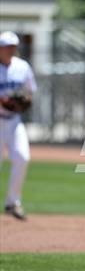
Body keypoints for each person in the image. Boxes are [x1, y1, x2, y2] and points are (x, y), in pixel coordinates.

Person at [0, 31, 37, 220]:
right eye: (7, 46)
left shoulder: (22, 67)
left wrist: (24, 101)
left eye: (13, 46)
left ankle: (12, 202)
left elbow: (30, 92)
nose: (10, 49)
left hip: (14, 121)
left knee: (22, 157)